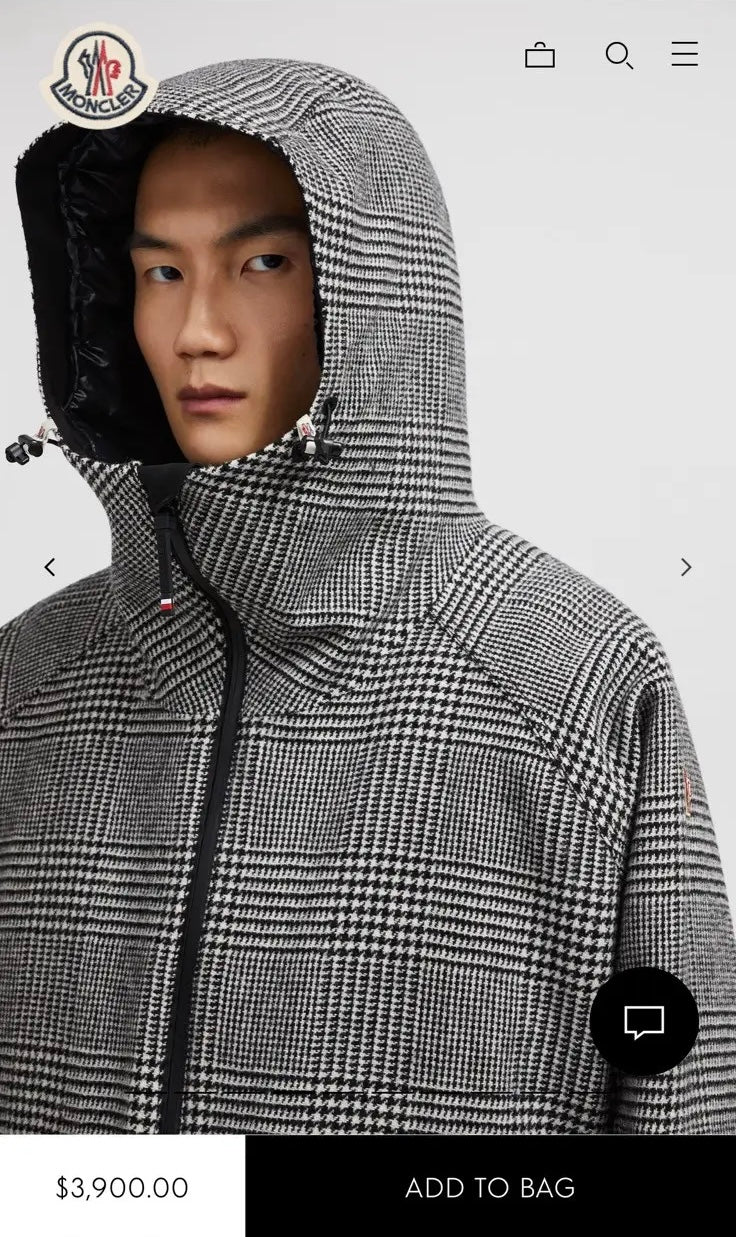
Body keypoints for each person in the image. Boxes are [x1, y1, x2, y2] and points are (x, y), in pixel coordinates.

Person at [1, 56, 735, 1136]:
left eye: (261, 262)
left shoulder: (572, 678)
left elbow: (685, 1100)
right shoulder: (26, 679)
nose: (198, 329)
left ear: (377, 296)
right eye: (159, 272)